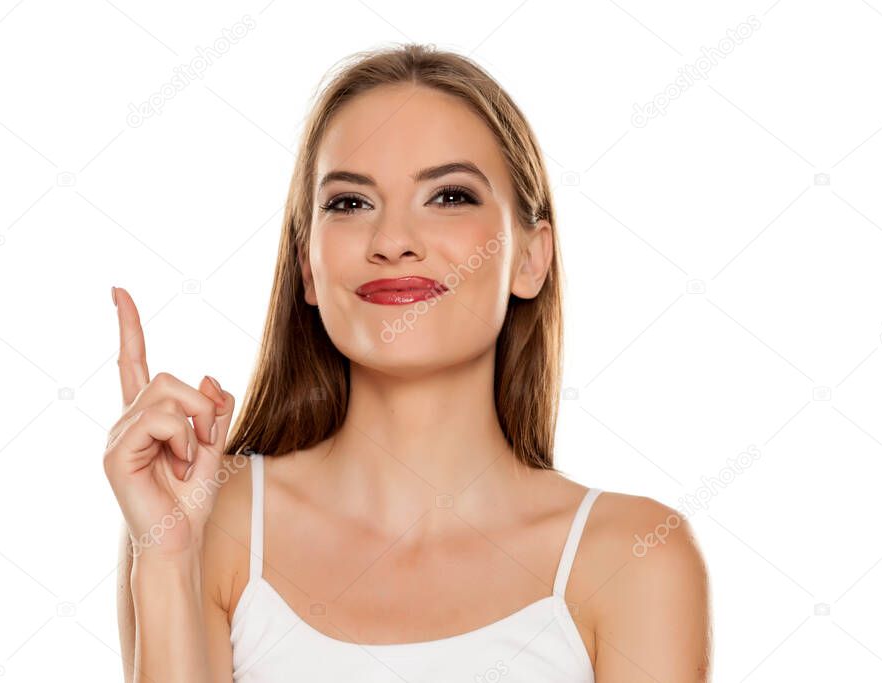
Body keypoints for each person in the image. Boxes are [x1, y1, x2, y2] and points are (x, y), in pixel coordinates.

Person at [105, 43, 710, 682]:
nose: (392, 242)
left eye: (449, 196)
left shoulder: (635, 556)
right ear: (308, 266)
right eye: (350, 203)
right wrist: (169, 558)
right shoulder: (208, 520)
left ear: (531, 258)